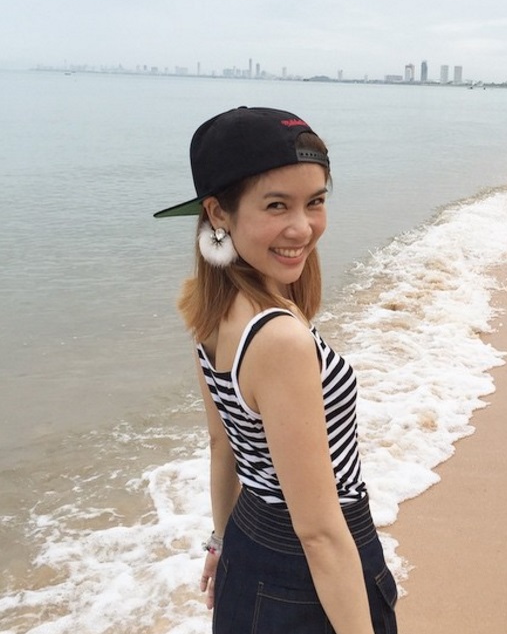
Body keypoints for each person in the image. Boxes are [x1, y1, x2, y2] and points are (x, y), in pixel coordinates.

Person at [154, 107, 398, 633]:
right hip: (307, 573)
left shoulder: (209, 309)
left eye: (315, 201)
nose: (302, 227)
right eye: (276, 205)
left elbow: (223, 445)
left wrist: (222, 541)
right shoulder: (279, 337)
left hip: (249, 548)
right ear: (218, 213)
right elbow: (319, 533)